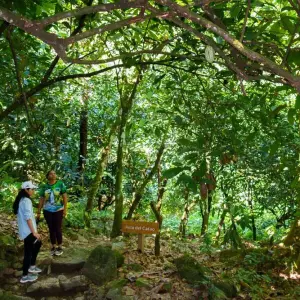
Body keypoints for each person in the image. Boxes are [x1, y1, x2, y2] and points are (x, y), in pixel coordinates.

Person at [13, 181, 42, 283]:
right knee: (28, 253)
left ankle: (32, 266)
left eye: (34, 189)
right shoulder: (26, 201)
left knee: (38, 243)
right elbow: (28, 217)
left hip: (26, 231)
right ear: (26, 189)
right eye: (32, 189)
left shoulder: (22, 200)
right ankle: (25, 276)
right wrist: (34, 232)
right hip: (28, 231)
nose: (33, 191)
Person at [37, 170, 67, 256]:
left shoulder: (60, 184)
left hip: (58, 210)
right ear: (48, 176)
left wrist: (65, 209)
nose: (53, 174)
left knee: (58, 228)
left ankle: (60, 246)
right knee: (51, 229)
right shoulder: (44, 186)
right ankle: (53, 246)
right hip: (47, 210)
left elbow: (65, 197)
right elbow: (42, 198)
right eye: (51, 173)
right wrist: (38, 211)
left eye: (54, 173)